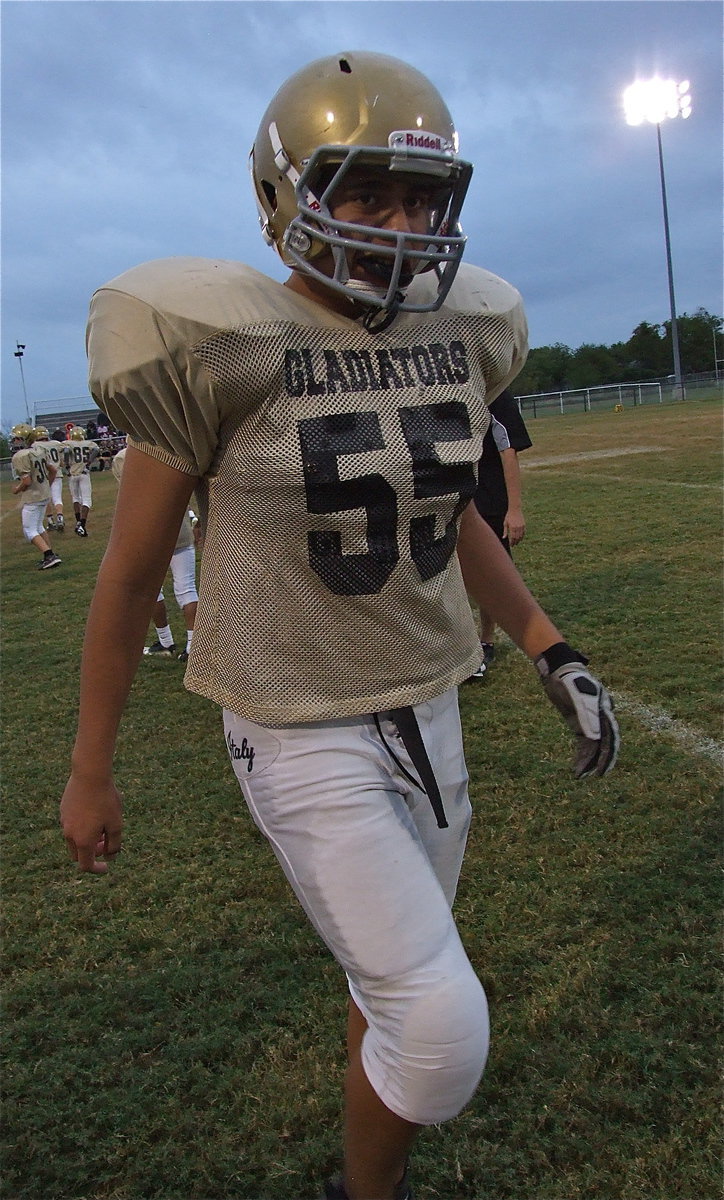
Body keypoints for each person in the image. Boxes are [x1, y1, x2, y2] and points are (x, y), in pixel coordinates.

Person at [59, 51, 619, 1200]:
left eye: (420, 198)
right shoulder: (217, 341)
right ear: (287, 197)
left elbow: (450, 505)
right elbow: (123, 583)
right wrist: (90, 768)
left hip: (429, 695)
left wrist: (545, 643)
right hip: (297, 724)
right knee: (441, 1025)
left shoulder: (463, 332)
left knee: (392, 992)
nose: (401, 224)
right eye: (366, 194)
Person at [467, 387, 533, 679]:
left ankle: (486, 641)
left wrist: (514, 509)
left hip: (489, 500)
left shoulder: (495, 394)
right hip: (450, 499)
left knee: (489, 574)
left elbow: (509, 451)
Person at [112, 447, 200, 661]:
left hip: (148, 529)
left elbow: (132, 496)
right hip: (179, 526)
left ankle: (166, 641)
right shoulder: (171, 448)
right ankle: (193, 646)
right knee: (186, 589)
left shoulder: (126, 457)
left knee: (152, 590)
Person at [10, 423, 62, 570]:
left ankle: (49, 555)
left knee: (29, 530)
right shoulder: (39, 450)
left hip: (33, 496)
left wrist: (17, 489)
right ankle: (50, 554)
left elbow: (26, 481)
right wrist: (47, 485)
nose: (15, 442)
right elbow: (53, 470)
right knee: (38, 526)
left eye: (17, 439)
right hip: (43, 493)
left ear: (26, 439)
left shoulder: (20, 456)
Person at [63, 425, 100, 536]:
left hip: (72, 474)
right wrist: (88, 462)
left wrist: (67, 465)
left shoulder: (68, 443)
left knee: (75, 499)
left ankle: (78, 522)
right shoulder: (89, 444)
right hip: (83, 473)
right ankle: (82, 526)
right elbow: (96, 450)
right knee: (87, 500)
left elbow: (65, 451)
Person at [31, 426, 67, 533]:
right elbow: (62, 461)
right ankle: (60, 517)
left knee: (46, 499)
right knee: (57, 498)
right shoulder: (56, 443)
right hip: (57, 473)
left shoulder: (35, 445)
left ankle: (50, 521)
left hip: (44, 475)